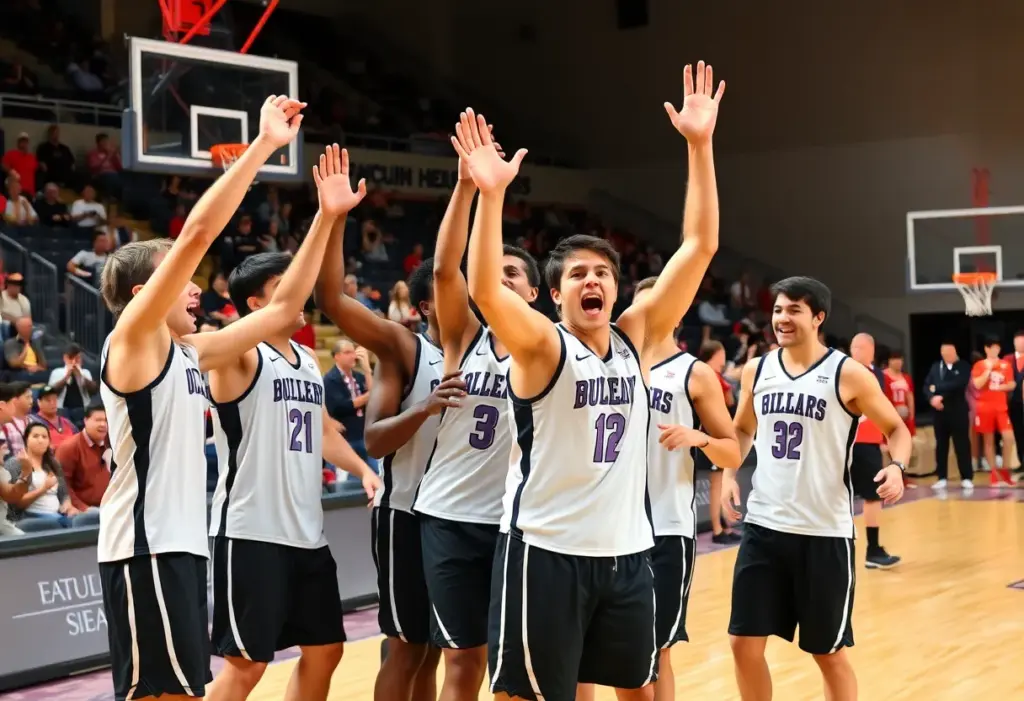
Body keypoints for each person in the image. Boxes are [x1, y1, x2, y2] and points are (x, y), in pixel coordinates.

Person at [453, 59, 724, 700]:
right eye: (577, 274)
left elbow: (700, 245)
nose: (593, 281)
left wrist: (701, 146)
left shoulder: (636, 339)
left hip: (628, 554)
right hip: (545, 552)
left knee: (637, 687)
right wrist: (490, 197)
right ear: (553, 293)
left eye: (602, 272)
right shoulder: (544, 347)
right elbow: (486, 287)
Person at [96, 95, 307, 701]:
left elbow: (285, 311)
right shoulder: (134, 339)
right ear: (145, 292)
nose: (195, 290)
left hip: (181, 548)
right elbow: (197, 231)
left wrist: (329, 216)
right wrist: (264, 147)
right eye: (182, 280)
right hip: (146, 547)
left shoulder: (192, 354)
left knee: (185, 692)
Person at [205, 145, 383, 701]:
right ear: (257, 301)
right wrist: (326, 220)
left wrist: (363, 470)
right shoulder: (239, 356)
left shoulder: (306, 359)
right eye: (287, 283)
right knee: (245, 666)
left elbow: (325, 430)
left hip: (304, 533)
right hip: (250, 530)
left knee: (326, 650)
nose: (302, 290)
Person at [723, 276, 910, 701]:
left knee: (828, 654)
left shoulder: (849, 374)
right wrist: (729, 475)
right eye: (777, 310)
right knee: (742, 643)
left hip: (823, 533)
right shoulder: (758, 369)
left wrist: (897, 466)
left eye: (793, 310)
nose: (782, 319)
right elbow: (741, 429)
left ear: (818, 317)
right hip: (765, 527)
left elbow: (896, 429)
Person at [411, 132, 542, 701]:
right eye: (498, 270)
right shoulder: (467, 336)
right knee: (463, 658)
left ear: (536, 292)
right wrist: (466, 187)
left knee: (518, 665)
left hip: (523, 522)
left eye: (515, 273)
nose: (504, 278)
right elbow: (444, 271)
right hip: (451, 514)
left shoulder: (551, 349)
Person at [316, 221, 457, 701]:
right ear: (424, 307)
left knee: (436, 649)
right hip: (408, 517)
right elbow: (373, 442)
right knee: (405, 647)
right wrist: (425, 407)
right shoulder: (407, 348)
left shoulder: (488, 353)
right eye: (446, 285)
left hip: (460, 519)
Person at [637, 276, 741, 701]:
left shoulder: (693, 373)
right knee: (591, 651)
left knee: (657, 651)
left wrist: (700, 439)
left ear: (677, 312)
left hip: (665, 526)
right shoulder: (609, 363)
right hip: (604, 529)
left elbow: (733, 452)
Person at [847, 333, 902, 569]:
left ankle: (873, 548)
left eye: (857, 348)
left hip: (869, 439)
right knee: (853, 495)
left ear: (868, 349)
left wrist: (885, 435)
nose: (853, 352)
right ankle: (865, 549)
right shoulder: (847, 372)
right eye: (852, 348)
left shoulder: (877, 374)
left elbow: (883, 407)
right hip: (850, 441)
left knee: (872, 494)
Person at [3, 422, 99, 530]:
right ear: (26, 440)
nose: (40, 440)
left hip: (58, 515)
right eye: (35, 436)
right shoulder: (15, 464)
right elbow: (16, 504)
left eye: (44, 437)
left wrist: (68, 506)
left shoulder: (52, 463)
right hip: (30, 517)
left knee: (94, 515)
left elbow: (64, 494)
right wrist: (43, 489)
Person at [696, 339, 741, 544]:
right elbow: (728, 400)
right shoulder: (706, 375)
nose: (723, 357)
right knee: (716, 485)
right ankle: (716, 529)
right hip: (710, 436)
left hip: (720, 437)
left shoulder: (717, 376)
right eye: (721, 353)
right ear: (714, 354)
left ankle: (725, 524)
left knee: (721, 482)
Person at [924, 343, 973, 489]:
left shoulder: (963, 366)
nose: (947, 356)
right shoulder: (935, 367)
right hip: (939, 413)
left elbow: (958, 384)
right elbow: (927, 385)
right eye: (944, 353)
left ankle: (967, 476)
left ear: (955, 352)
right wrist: (931, 398)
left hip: (958, 411)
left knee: (962, 444)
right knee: (941, 444)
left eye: (950, 353)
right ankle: (942, 477)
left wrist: (938, 390)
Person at [970, 337, 1016, 487]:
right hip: (984, 407)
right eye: (992, 347)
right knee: (988, 440)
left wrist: (1001, 387)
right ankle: (994, 473)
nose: (995, 350)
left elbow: (1011, 383)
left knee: (1008, 437)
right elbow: (977, 384)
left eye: (997, 347)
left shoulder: (1005, 364)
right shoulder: (979, 365)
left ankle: (1005, 469)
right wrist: (988, 370)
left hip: (1001, 407)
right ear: (986, 349)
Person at [323, 339, 375, 469]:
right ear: (336, 356)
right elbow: (342, 406)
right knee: (342, 478)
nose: (353, 356)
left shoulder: (359, 376)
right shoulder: (330, 379)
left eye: (353, 352)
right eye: (347, 352)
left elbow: (376, 400)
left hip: (362, 432)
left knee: (376, 472)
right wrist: (370, 395)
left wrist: (367, 370)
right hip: (344, 436)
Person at [54, 403, 110, 511]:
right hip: (84, 511)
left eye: (106, 421)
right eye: (98, 420)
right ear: (85, 420)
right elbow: (63, 486)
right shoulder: (69, 447)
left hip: (111, 507)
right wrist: (83, 509)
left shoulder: (113, 444)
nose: (103, 424)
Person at [1005, 331, 1024, 477]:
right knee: (1018, 433)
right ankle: (1022, 462)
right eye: (1017, 342)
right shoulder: (1007, 359)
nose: (1020, 344)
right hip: (1012, 402)